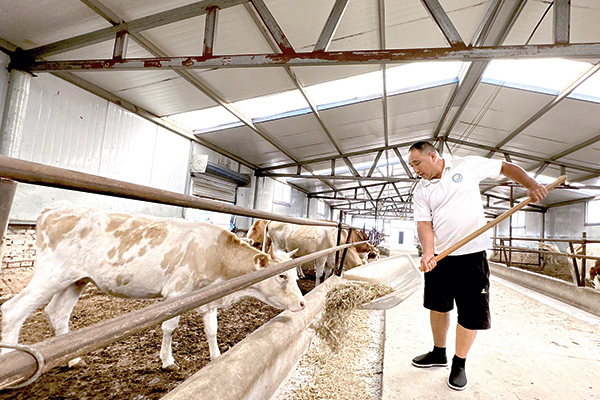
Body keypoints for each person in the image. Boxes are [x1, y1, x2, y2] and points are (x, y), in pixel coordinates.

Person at [408, 141, 548, 391]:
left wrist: (530, 184)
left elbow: (505, 167)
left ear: (432, 155)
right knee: (438, 306)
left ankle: (459, 363)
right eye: (411, 165)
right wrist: (428, 253)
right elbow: (424, 224)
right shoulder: (421, 190)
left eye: (417, 163)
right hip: (440, 257)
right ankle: (438, 353)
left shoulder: (467, 166)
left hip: (472, 257)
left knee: (471, 312)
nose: (414, 169)